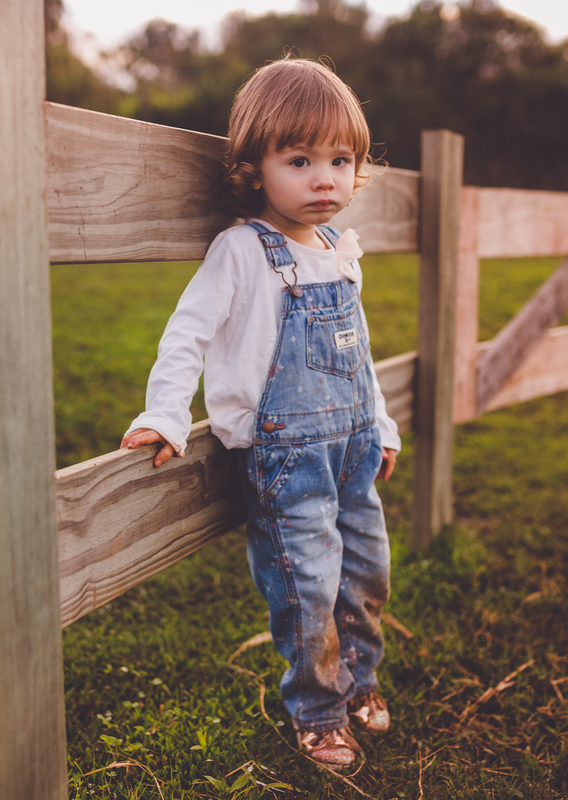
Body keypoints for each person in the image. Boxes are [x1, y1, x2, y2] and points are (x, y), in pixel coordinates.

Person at [120, 57, 400, 771]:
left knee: (366, 574)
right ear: (254, 168)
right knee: (308, 586)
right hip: (286, 460)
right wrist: (166, 412)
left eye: (340, 161)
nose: (324, 179)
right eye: (300, 161)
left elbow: (358, 353)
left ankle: (359, 677)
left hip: (353, 449)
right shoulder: (243, 251)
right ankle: (319, 712)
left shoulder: (340, 251)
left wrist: (382, 425)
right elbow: (187, 333)